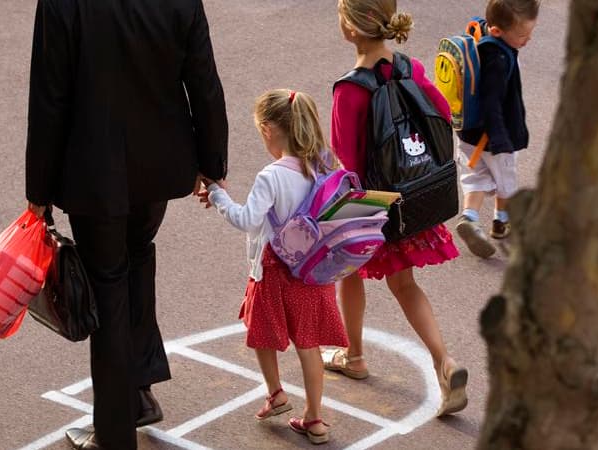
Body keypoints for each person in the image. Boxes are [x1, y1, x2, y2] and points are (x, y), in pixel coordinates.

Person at [24, 0, 228, 448]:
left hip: (92, 171)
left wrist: (38, 192)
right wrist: (213, 162)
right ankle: (139, 389)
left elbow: (49, 97)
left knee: (109, 286)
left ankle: (115, 434)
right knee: (136, 256)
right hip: (158, 166)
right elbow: (204, 82)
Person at [325, 0, 468, 417]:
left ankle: (354, 356)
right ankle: (444, 361)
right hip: (412, 195)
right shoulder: (411, 67)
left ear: (351, 28)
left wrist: (335, 217)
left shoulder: (350, 89)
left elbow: (347, 161)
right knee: (405, 286)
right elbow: (442, 115)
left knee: (346, 270)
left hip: (373, 200)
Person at [198, 89, 349, 444]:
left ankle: (275, 392)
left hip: (274, 269)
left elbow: (247, 219)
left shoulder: (272, 175)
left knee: (260, 328)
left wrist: (217, 194)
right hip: (315, 270)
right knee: (308, 343)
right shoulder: (328, 163)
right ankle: (315, 419)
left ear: (268, 129)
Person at [455, 0, 539, 258]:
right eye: (522, 35)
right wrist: (501, 138)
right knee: (506, 183)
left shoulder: (479, 37)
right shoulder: (499, 59)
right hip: (494, 137)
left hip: (469, 133)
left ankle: (469, 217)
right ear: (497, 32)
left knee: (476, 178)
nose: (527, 40)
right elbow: (492, 102)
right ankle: (501, 223)